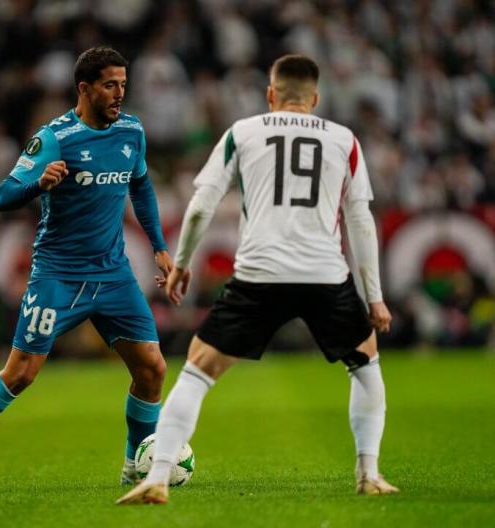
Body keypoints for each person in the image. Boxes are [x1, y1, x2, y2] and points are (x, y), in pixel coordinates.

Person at [117, 54, 399, 505]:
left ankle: (158, 477)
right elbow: (360, 218)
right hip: (325, 273)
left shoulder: (243, 132)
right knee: (366, 366)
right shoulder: (344, 140)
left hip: (259, 274)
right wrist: (375, 297)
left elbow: (203, 203)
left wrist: (184, 261)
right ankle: (369, 472)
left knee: (196, 371)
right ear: (316, 98)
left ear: (270, 94)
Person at [0, 46, 173, 495]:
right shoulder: (55, 137)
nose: (120, 93)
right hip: (58, 275)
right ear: (84, 88)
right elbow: (4, 195)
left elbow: (141, 186)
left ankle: (134, 467)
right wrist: (38, 183)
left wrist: (159, 248)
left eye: (123, 84)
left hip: (113, 274)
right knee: (19, 374)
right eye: (110, 85)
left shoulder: (131, 132)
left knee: (152, 368)